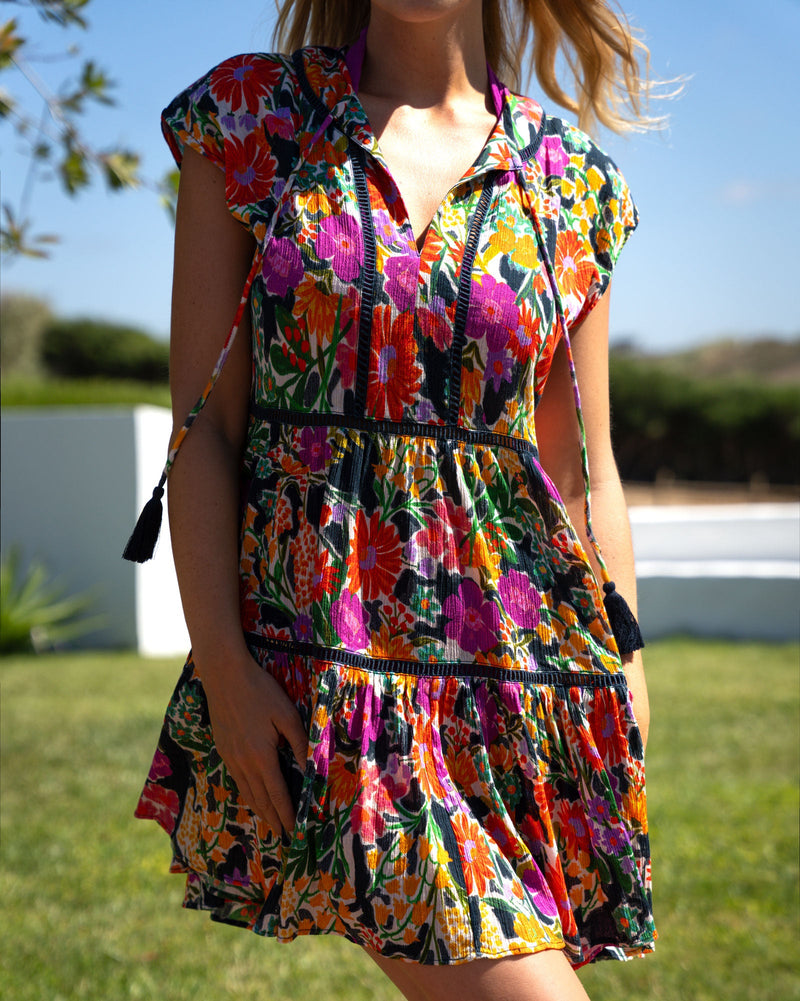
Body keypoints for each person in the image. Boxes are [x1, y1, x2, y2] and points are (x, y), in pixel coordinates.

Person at [133, 2, 658, 998]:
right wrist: (226, 671)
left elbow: (580, 465)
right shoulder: (255, 122)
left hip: (517, 683)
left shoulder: (569, 180)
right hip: (333, 683)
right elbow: (205, 425)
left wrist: (624, 681)